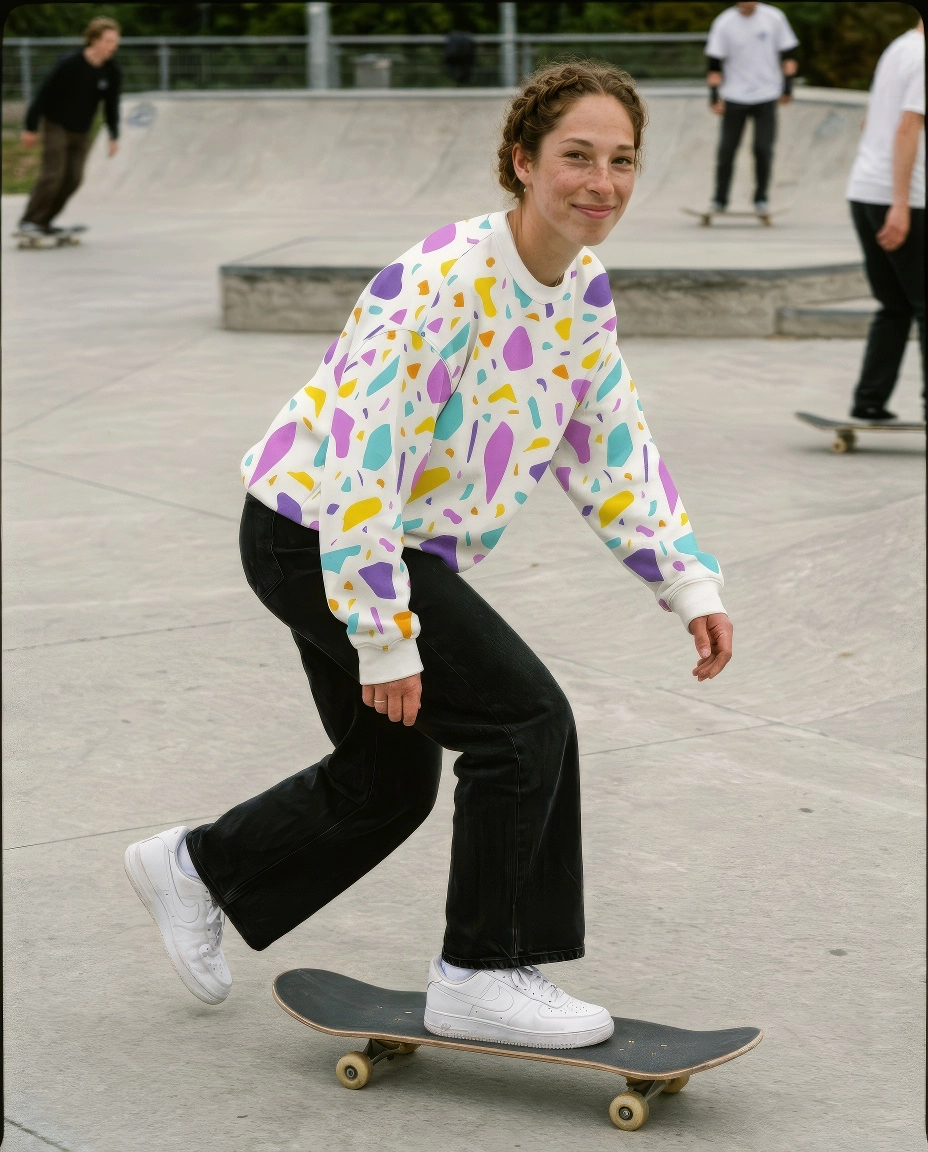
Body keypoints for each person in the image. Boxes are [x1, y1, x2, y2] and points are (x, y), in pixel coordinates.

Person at [125, 61, 733, 1050]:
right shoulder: (446, 281)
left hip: (379, 543)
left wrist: (685, 577)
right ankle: (482, 973)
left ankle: (195, 867)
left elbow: (609, 444)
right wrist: (383, 633)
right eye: (576, 156)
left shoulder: (581, 291)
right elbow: (362, 457)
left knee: (388, 782)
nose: (602, 183)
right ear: (522, 160)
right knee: (523, 722)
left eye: (622, 161)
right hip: (317, 534)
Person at [845, 19, 925, 423]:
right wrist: (901, 203)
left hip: (864, 190)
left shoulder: (899, 48)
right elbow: (908, 127)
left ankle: (869, 400)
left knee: (894, 304)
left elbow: (871, 119)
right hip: (904, 197)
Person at [16, 16, 121, 239]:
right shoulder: (70, 63)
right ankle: (29, 221)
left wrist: (114, 135)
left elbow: (111, 106)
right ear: (94, 40)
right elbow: (44, 93)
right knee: (53, 174)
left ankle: (45, 221)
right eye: (109, 41)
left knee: (74, 178)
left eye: (115, 42)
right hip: (56, 124)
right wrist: (30, 127)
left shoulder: (111, 71)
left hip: (81, 130)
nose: (113, 46)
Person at [705, 1, 799, 215]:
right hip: (734, 95)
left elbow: (789, 54)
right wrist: (714, 97)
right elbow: (714, 64)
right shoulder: (724, 23)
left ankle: (761, 198)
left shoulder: (774, 18)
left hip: (766, 94)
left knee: (763, 149)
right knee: (727, 150)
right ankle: (720, 199)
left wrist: (787, 87)